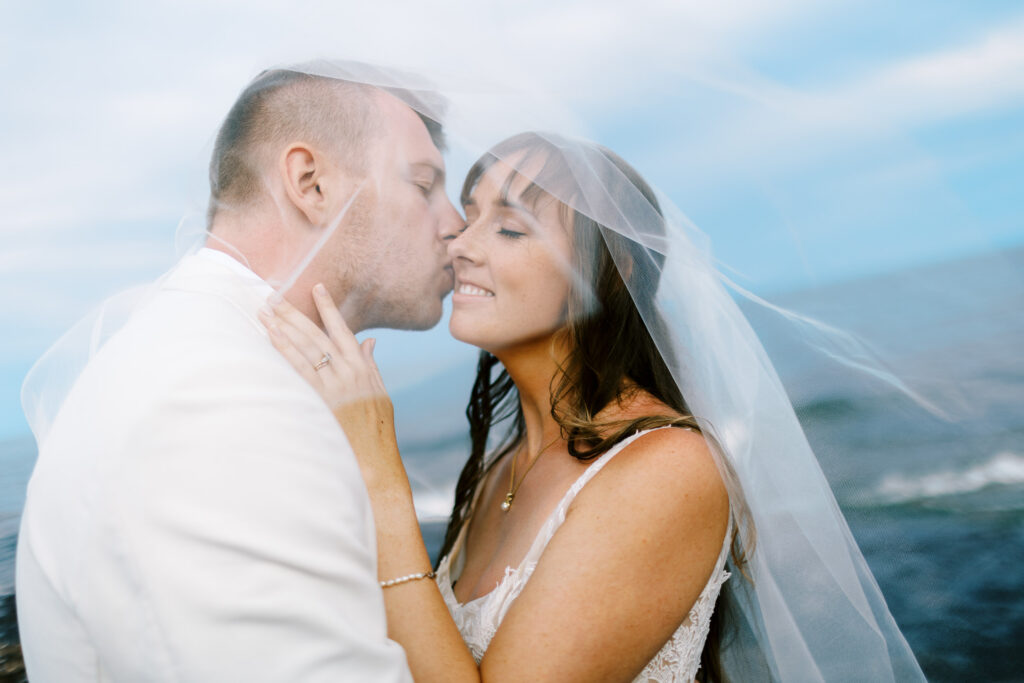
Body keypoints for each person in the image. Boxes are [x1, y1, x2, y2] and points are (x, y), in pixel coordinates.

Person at [264, 131, 928, 681]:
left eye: (512, 228)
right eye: (471, 215)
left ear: (610, 274)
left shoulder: (667, 469)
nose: (461, 244)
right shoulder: (501, 469)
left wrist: (381, 476)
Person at [16, 65, 462, 681]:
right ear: (311, 184)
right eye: (424, 184)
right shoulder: (220, 401)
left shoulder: (202, 353)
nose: (456, 223)